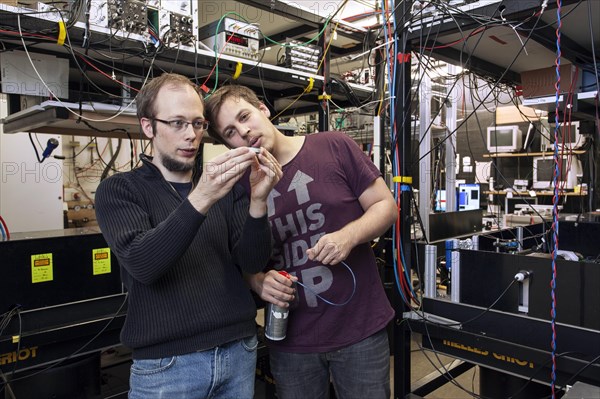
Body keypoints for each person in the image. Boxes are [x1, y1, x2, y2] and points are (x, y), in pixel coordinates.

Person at [95, 73, 282, 399]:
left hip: (238, 351)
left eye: (197, 124)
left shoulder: (226, 187)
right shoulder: (120, 190)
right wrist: (202, 197)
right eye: (177, 123)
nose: (191, 135)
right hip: (167, 366)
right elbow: (144, 263)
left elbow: (251, 261)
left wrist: (258, 200)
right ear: (149, 126)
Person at [205, 85, 398, 399]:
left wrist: (348, 236)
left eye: (245, 116)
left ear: (263, 109)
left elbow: (386, 207)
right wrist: (256, 282)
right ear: (228, 144)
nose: (244, 131)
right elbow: (240, 261)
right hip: (291, 341)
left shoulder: (334, 146)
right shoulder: (239, 187)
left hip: (359, 330)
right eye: (231, 131)